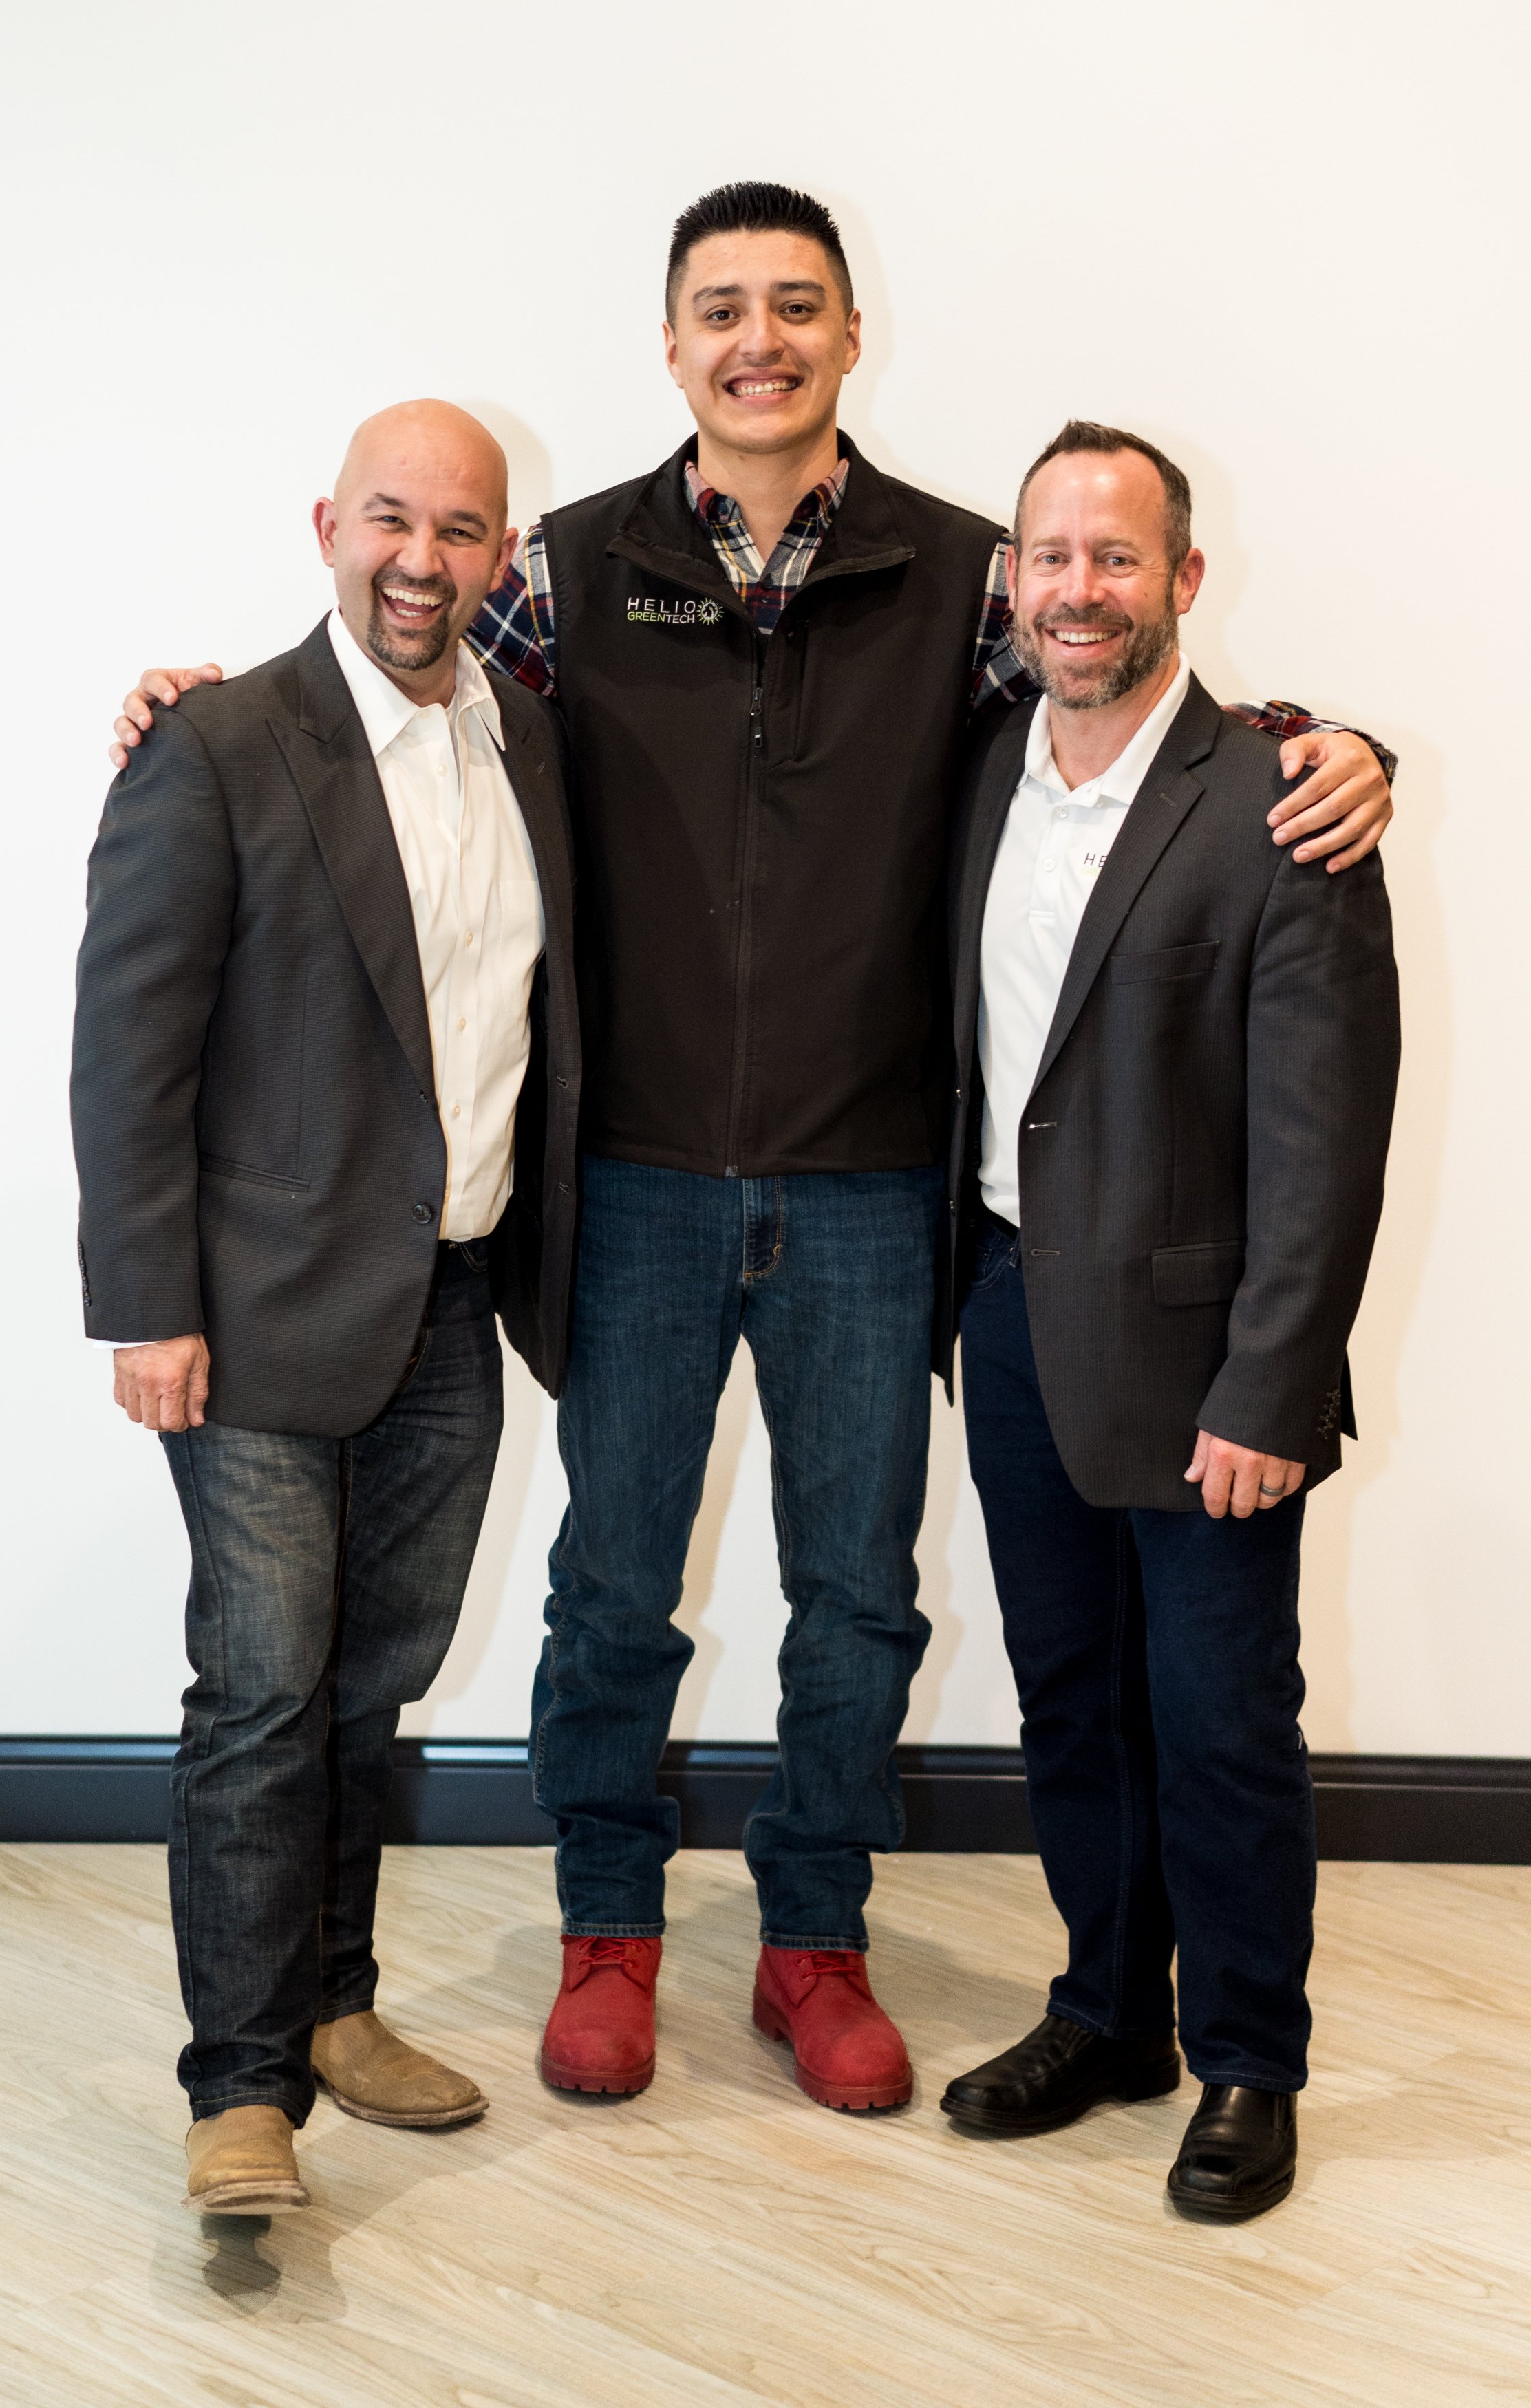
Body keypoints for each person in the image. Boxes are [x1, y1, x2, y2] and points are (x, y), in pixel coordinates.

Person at [107, 184, 1397, 2118]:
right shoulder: (557, 573)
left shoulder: (964, 576)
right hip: (626, 1178)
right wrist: (186, 702)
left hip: (879, 1186)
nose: (758, 339)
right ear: (670, 344)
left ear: (849, 335)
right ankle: (606, 1927)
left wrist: (1322, 733)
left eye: (796, 305)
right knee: (613, 1586)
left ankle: (813, 1937)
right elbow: (391, 696)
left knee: (857, 1592)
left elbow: (1121, 707)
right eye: (720, 308)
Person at [72, 401, 580, 2213]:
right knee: (266, 1693)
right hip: (257, 1314)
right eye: (390, 519)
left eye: (460, 530)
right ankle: (240, 2086)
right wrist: (146, 1303)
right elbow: (131, 1042)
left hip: (453, 1301)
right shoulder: (218, 740)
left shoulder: (524, 739)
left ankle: (337, 2000)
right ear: (325, 525)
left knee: (371, 1687)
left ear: (500, 560)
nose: (421, 559)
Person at [936, 421, 1400, 2217]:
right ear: (1016, 585)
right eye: (1048, 556)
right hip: (1006, 1308)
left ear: (1180, 581)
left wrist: (1270, 1384)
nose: (1076, 587)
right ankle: (1107, 2009)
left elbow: (1322, 1137)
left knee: (1216, 1717)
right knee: (1070, 1701)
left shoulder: (1281, 792)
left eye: (1113, 557)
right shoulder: (988, 772)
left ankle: (1246, 2064)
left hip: (1208, 1362)